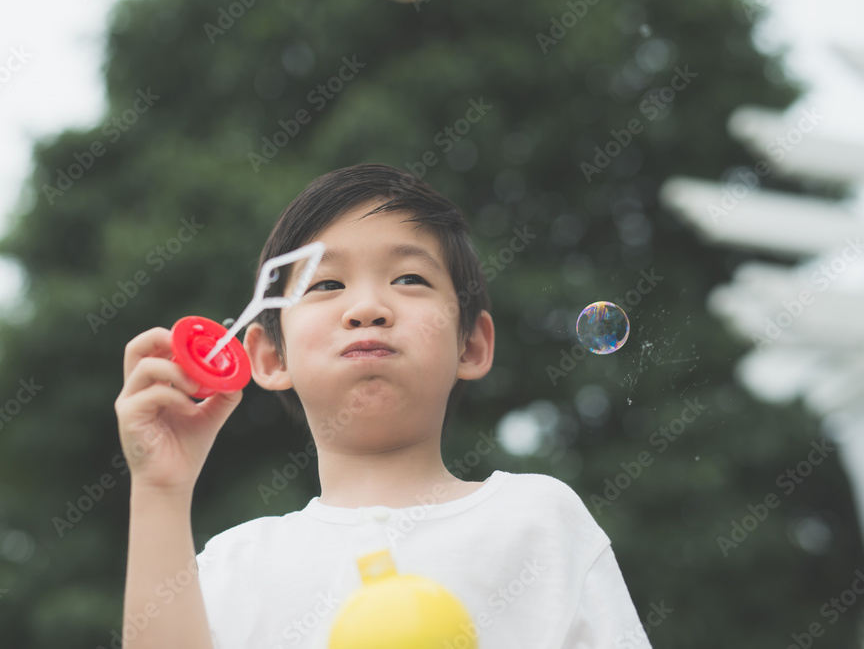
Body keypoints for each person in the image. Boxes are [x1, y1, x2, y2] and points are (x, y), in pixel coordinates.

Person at [115, 163, 652, 648]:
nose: (367, 307)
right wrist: (161, 488)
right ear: (269, 356)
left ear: (470, 344)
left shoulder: (537, 520)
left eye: (409, 279)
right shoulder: (238, 564)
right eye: (326, 283)